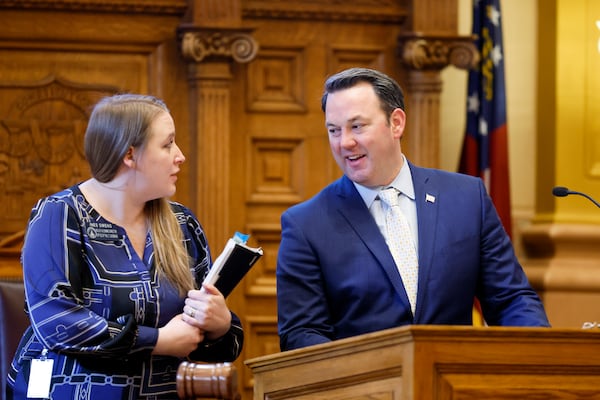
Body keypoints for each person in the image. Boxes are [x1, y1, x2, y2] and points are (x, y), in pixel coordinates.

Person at [276, 67, 550, 352]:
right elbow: (302, 333)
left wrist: (537, 356)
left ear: (396, 123)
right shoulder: (306, 225)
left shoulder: (466, 198)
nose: (344, 142)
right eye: (334, 130)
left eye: (357, 126)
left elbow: (510, 299)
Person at [6, 94, 243, 399]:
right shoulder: (60, 214)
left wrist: (220, 324)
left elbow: (219, 346)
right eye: (167, 144)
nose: (180, 155)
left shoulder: (182, 223)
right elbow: (58, 323)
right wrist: (157, 340)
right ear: (130, 155)